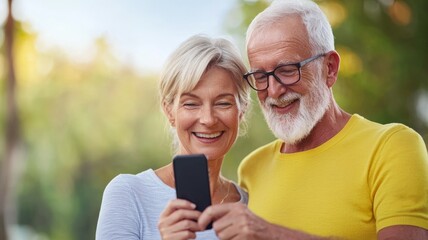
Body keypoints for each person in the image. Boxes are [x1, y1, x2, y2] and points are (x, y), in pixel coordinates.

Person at [197, 0, 428, 239]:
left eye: (287, 70)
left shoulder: (392, 146)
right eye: (260, 75)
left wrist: (273, 234)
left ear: (330, 68)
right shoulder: (251, 168)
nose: (273, 91)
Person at [95, 34, 251, 240]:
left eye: (223, 103)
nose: (208, 119)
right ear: (169, 111)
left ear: (241, 110)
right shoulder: (129, 193)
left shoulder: (250, 207)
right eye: (191, 103)